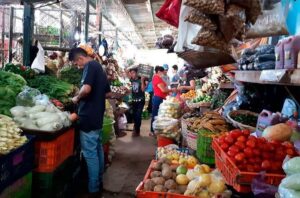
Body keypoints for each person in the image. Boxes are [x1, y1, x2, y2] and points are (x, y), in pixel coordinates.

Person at [69, 48, 110, 196]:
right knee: (97, 150)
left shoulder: (89, 66)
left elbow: (86, 89)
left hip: (88, 117)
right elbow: (107, 91)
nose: (78, 67)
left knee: (90, 154)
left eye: (76, 64)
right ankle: (98, 183)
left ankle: (93, 189)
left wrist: (76, 98)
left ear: (79, 59)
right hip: (97, 116)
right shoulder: (99, 67)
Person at [150, 66, 176, 136]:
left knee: (158, 115)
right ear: (159, 71)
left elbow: (164, 89)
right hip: (158, 98)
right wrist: (172, 90)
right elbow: (163, 90)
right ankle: (152, 131)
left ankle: (156, 131)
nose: (164, 73)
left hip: (160, 98)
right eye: (162, 71)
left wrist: (168, 92)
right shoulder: (156, 77)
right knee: (155, 115)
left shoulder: (158, 78)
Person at [129, 67, 147, 137]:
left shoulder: (141, 80)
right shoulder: (131, 80)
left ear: (137, 73)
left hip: (141, 101)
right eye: (131, 73)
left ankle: (137, 130)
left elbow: (143, 90)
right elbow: (127, 71)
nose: (132, 74)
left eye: (133, 73)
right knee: (134, 115)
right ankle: (135, 127)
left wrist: (142, 80)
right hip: (133, 101)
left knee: (138, 116)